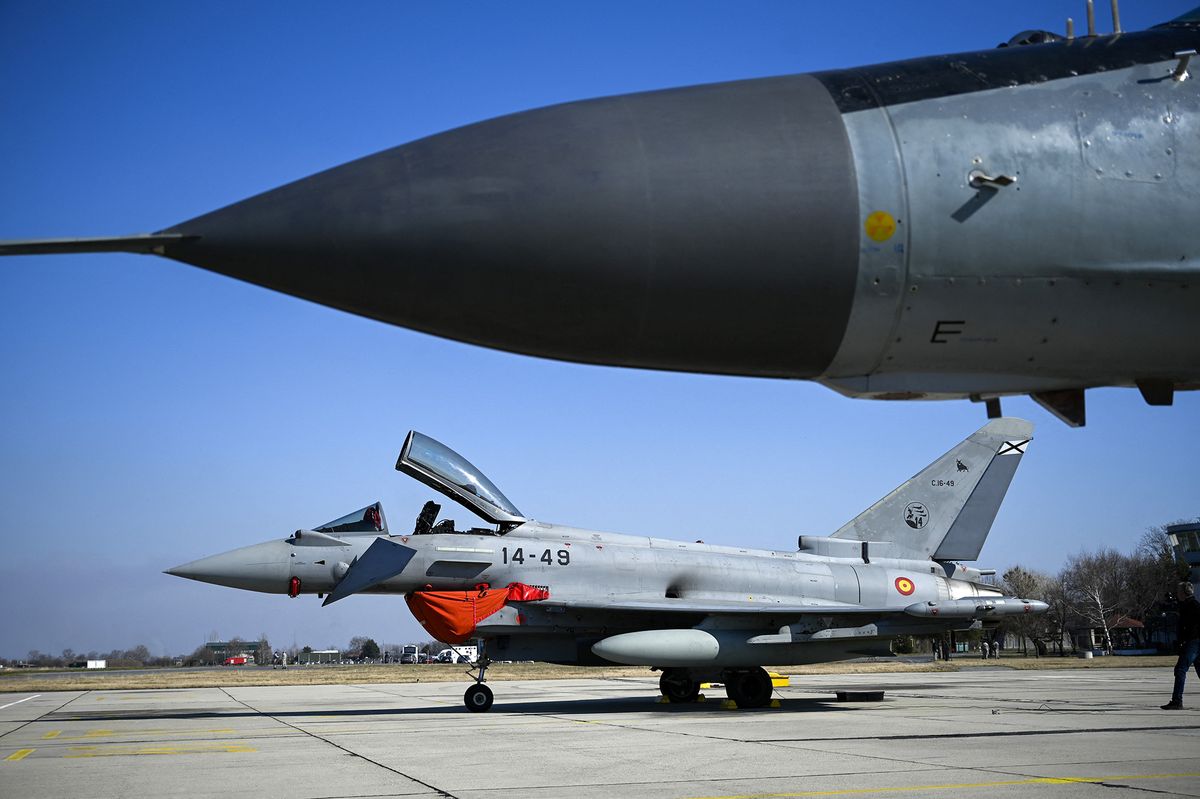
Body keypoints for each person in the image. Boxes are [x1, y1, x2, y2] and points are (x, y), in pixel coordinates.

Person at [1163, 581, 1200, 710]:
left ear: (1184, 593)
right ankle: (1176, 700)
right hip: (1193, 642)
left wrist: (1189, 637)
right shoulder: (1187, 605)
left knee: (1180, 669)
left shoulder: (1193, 606)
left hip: (1193, 642)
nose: (1177, 594)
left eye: (1178, 591)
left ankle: (1177, 700)